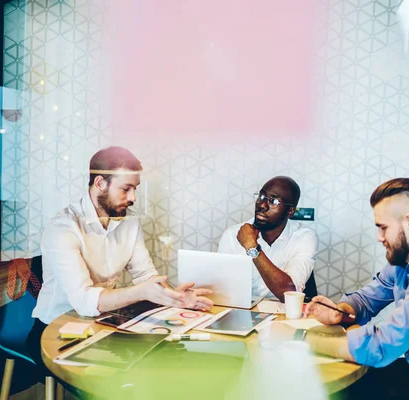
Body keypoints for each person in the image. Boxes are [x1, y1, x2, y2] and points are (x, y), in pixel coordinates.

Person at [266, 178, 409, 399]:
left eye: (383, 227)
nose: (379, 237)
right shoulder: (405, 261)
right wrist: (341, 309)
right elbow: (367, 299)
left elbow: (380, 347)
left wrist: (299, 337)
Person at [28, 147, 213, 362]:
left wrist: (174, 298)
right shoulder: (63, 228)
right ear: (100, 184)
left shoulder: (129, 222)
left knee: (174, 353)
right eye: (126, 189)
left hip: (101, 323)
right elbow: (83, 300)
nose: (133, 197)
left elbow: (146, 276)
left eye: (135, 189)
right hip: (54, 330)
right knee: (138, 367)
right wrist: (142, 292)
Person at [218, 176, 318, 301]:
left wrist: (252, 248)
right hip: (242, 310)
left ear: (290, 211)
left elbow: (289, 294)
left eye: (274, 201)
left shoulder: (304, 237)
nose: (262, 205)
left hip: (285, 313)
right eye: (261, 197)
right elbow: (221, 290)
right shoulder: (232, 235)